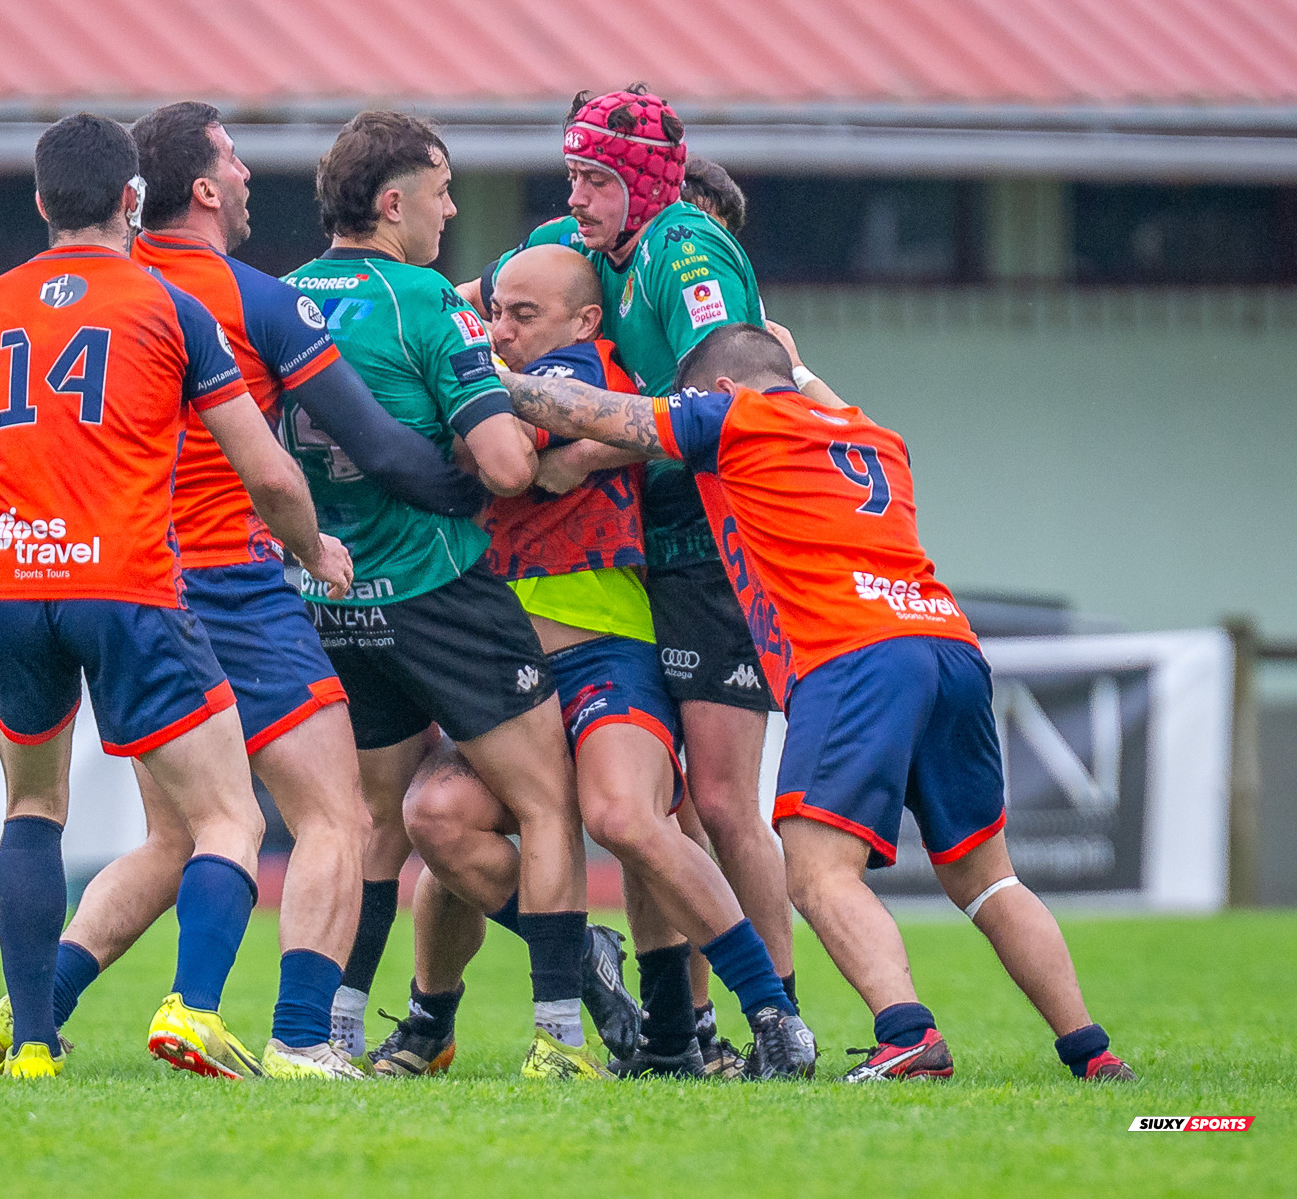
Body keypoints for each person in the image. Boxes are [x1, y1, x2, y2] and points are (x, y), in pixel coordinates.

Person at [0, 101, 489, 1081]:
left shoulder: (79, 292)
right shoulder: (243, 301)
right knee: (335, 815)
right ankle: (296, 1036)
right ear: (203, 189)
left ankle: (38, 996)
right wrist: (486, 484)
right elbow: (373, 447)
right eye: (237, 159)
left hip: (119, 575)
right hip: (230, 587)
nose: (250, 175)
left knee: (178, 835)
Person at [495, 321, 1138, 1083]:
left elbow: (584, 411)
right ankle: (1091, 1049)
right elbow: (813, 394)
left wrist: (474, 377)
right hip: (947, 643)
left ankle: (908, 1035)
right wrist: (798, 366)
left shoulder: (735, 416)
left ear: (722, 392)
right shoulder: (872, 434)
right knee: (988, 877)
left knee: (818, 872)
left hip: (852, 653)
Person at [0, 113, 351, 1081]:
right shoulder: (169, 307)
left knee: (33, 807)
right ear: (131, 199)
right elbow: (270, 472)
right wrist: (312, 547)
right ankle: (193, 1008)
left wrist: (38, 515)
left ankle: (32, 1044)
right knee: (231, 818)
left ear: (42, 201)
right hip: (127, 584)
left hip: (10, 582)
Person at [401, 243, 816, 1079]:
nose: (501, 330)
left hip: (603, 653)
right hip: (502, 667)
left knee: (625, 817)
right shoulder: (511, 375)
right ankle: (491, 993)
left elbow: (506, 442)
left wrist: (431, 360)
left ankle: (773, 1013)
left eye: (524, 315)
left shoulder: (585, 371)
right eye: (496, 313)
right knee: (436, 820)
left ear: (586, 320)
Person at [467, 89, 798, 1049]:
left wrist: (578, 456)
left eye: (596, 179)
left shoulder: (687, 250)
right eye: (572, 174)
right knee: (659, 807)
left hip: (709, 548)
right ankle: (680, 1027)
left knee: (722, 802)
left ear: (648, 183)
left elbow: (728, 406)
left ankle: (781, 1018)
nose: (576, 196)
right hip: (636, 553)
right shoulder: (572, 246)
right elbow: (469, 305)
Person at [286, 111, 611, 1079]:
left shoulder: (285, 298)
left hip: (337, 597)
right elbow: (507, 466)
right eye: (442, 192)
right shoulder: (427, 301)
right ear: (394, 204)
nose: (452, 209)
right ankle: (561, 1036)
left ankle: (339, 1031)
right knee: (545, 804)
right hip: (441, 590)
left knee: (373, 822)